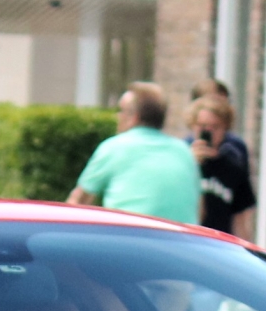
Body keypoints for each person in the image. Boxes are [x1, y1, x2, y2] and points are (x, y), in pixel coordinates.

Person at [67, 82, 200, 225]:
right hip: (182, 242)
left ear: (134, 117)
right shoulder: (184, 151)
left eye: (121, 110)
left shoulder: (114, 147)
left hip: (130, 240)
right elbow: (199, 208)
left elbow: (77, 203)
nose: (117, 116)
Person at [189, 93, 255, 237]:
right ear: (193, 126)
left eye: (215, 127)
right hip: (187, 239)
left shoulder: (233, 168)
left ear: (225, 129)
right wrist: (191, 164)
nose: (208, 132)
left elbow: (240, 220)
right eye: (203, 126)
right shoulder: (181, 162)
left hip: (217, 242)